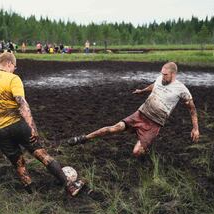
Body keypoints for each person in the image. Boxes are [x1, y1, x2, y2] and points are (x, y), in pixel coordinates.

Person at [0, 52, 84, 196]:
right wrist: (32, 127)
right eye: (14, 67)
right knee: (42, 155)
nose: (14, 69)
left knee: (18, 163)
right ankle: (70, 187)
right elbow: (23, 104)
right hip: (17, 125)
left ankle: (32, 195)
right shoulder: (13, 78)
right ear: (9, 63)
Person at [68, 62, 200, 157]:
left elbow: (192, 110)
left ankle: (146, 146)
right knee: (113, 128)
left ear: (173, 74)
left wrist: (195, 128)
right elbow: (154, 85)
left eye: (165, 74)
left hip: (155, 123)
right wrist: (141, 91)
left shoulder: (181, 89)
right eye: (162, 73)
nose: (163, 76)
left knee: (137, 153)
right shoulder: (160, 78)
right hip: (141, 114)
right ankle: (83, 138)